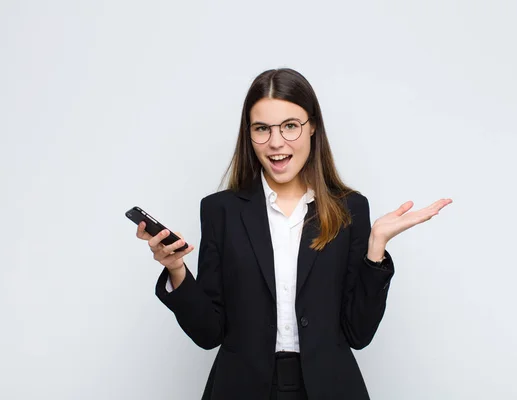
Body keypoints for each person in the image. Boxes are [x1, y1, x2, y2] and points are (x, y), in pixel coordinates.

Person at [135, 68, 452, 399]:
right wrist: (176, 270)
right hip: (241, 389)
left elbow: (359, 334)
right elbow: (208, 333)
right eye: (262, 129)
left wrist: (377, 248)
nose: (276, 142)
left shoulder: (351, 209)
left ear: (312, 126)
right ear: (249, 133)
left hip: (329, 389)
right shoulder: (221, 211)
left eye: (290, 126)